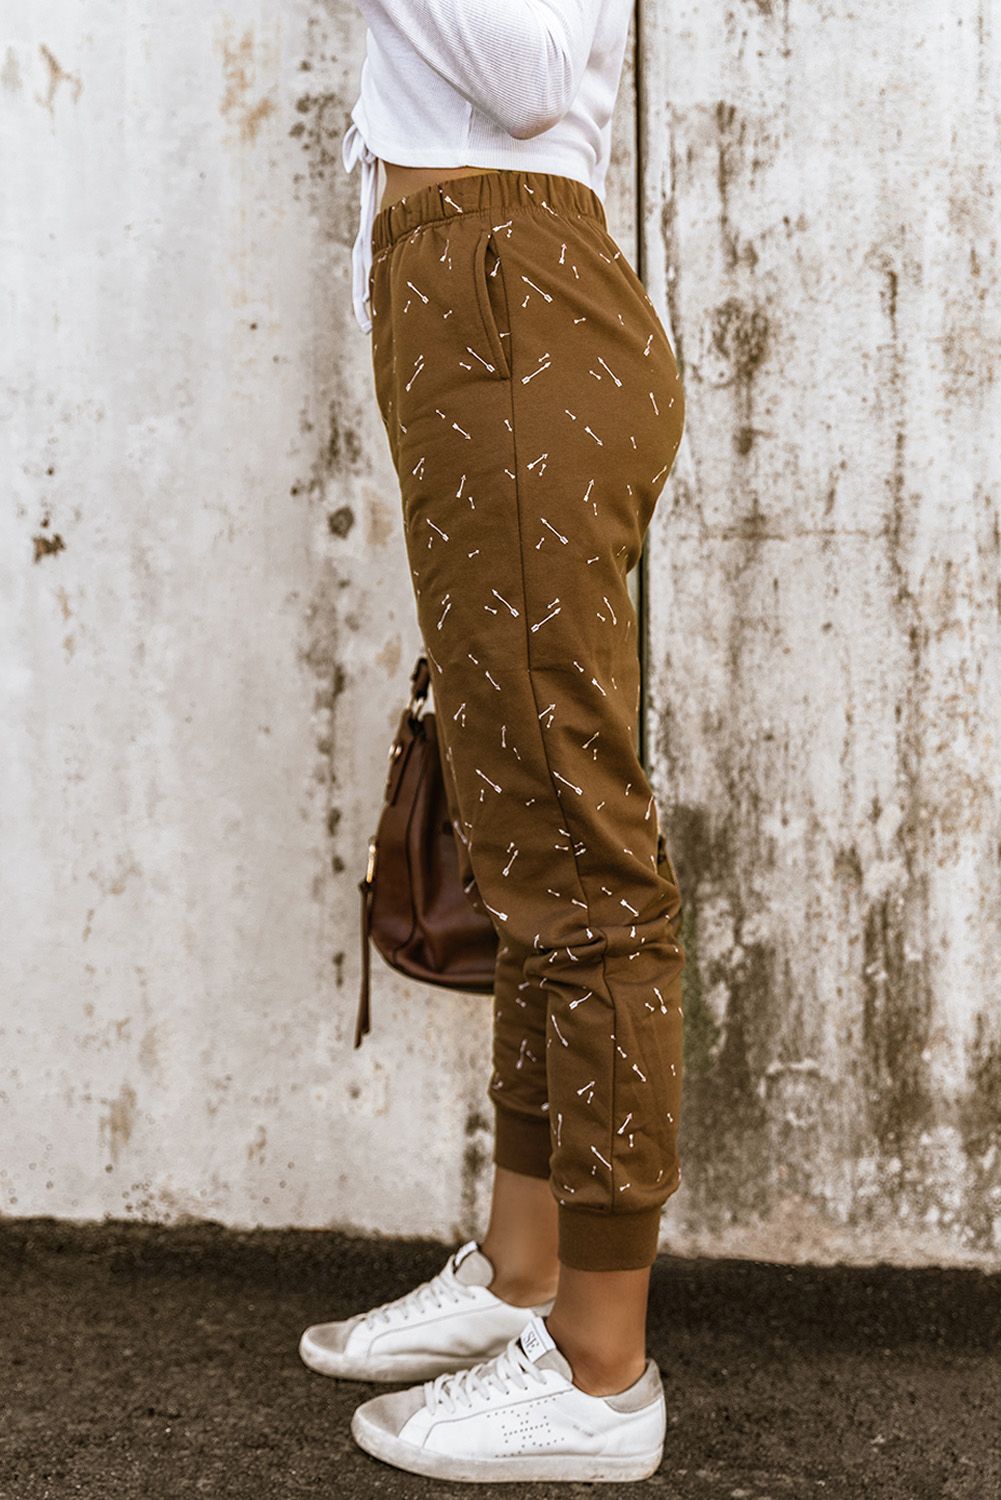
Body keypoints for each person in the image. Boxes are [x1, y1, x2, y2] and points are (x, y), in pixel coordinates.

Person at [300, 0, 687, 1483]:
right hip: (478, 302)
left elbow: (525, 74)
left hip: (511, 296)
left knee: (577, 854)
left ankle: (600, 1375)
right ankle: (526, 1277)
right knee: (523, 828)